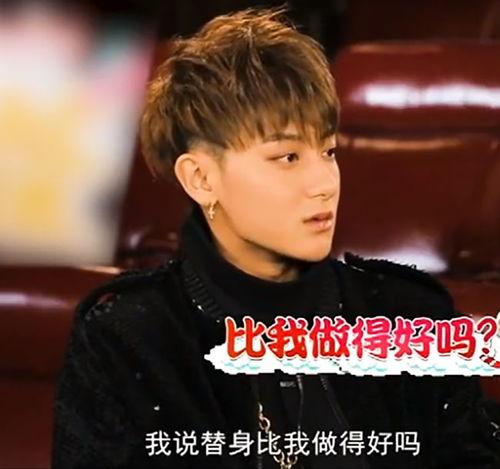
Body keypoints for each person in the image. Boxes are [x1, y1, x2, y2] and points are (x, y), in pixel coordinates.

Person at [51, 7, 500, 469]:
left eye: (328, 151)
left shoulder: (410, 316)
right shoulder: (126, 340)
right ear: (201, 178)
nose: (324, 183)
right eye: (287, 157)